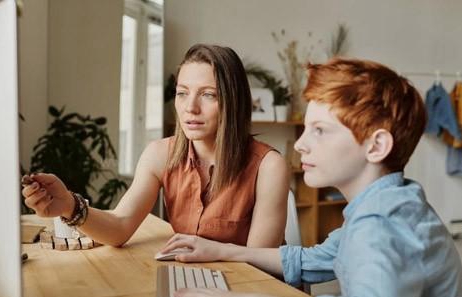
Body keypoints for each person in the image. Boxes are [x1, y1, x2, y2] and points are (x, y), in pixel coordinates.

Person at [162, 58, 462, 297]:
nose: (301, 144)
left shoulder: (383, 222)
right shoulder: (385, 205)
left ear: (377, 146)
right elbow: (309, 261)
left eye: (319, 130)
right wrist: (221, 250)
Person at [22, 44, 290, 248]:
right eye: (182, 93)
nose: (190, 107)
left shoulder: (269, 166)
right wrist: (69, 205)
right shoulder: (160, 154)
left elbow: (259, 265)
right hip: (194, 285)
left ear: (234, 102)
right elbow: (120, 226)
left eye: (208, 95)